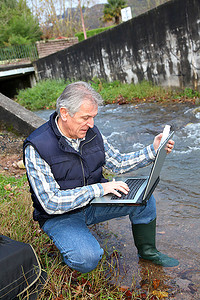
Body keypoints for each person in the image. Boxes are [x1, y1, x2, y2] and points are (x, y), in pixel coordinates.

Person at [23, 81, 179, 273]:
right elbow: (51, 202)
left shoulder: (91, 132)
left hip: (95, 203)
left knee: (144, 198)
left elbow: (118, 162)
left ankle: (148, 252)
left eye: (94, 117)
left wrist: (153, 151)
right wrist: (99, 189)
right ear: (64, 113)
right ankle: (68, 249)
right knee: (87, 259)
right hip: (60, 216)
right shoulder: (37, 146)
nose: (92, 124)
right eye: (86, 117)